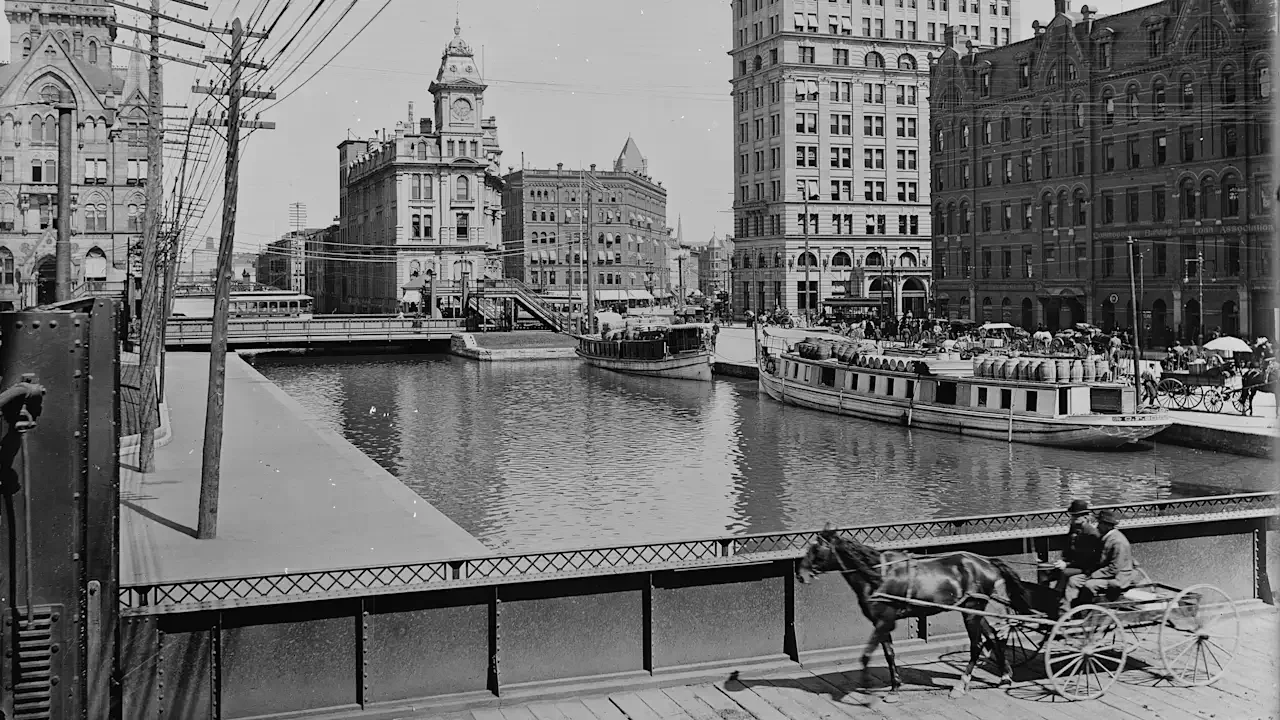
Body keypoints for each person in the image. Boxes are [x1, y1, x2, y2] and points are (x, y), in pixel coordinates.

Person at [1063, 509, 1134, 611]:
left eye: (1100, 523)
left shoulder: (1118, 542)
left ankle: (1086, 611)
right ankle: (1068, 610)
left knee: (1089, 585)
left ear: (1108, 525)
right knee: (1073, 580)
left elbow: (1114, 569)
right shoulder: (1106, 537)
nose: (1097, 526)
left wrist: (1093, 575)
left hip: (1118, 578)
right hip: (1105, 574)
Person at [1055, 500, 1102, 616]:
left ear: (1085, 517)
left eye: (1076, 516)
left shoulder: (1092, 534)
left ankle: (1064, 609)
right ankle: (1051, 598)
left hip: (1087, 568)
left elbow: (1088, 560)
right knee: (1047, 570)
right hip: (1075, 564)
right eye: (1072, 516)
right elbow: (1067, 548)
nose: (1073, 518)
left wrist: (1067, 564)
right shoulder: (1074, 528)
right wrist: (1063, 560)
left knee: (1065, 573)